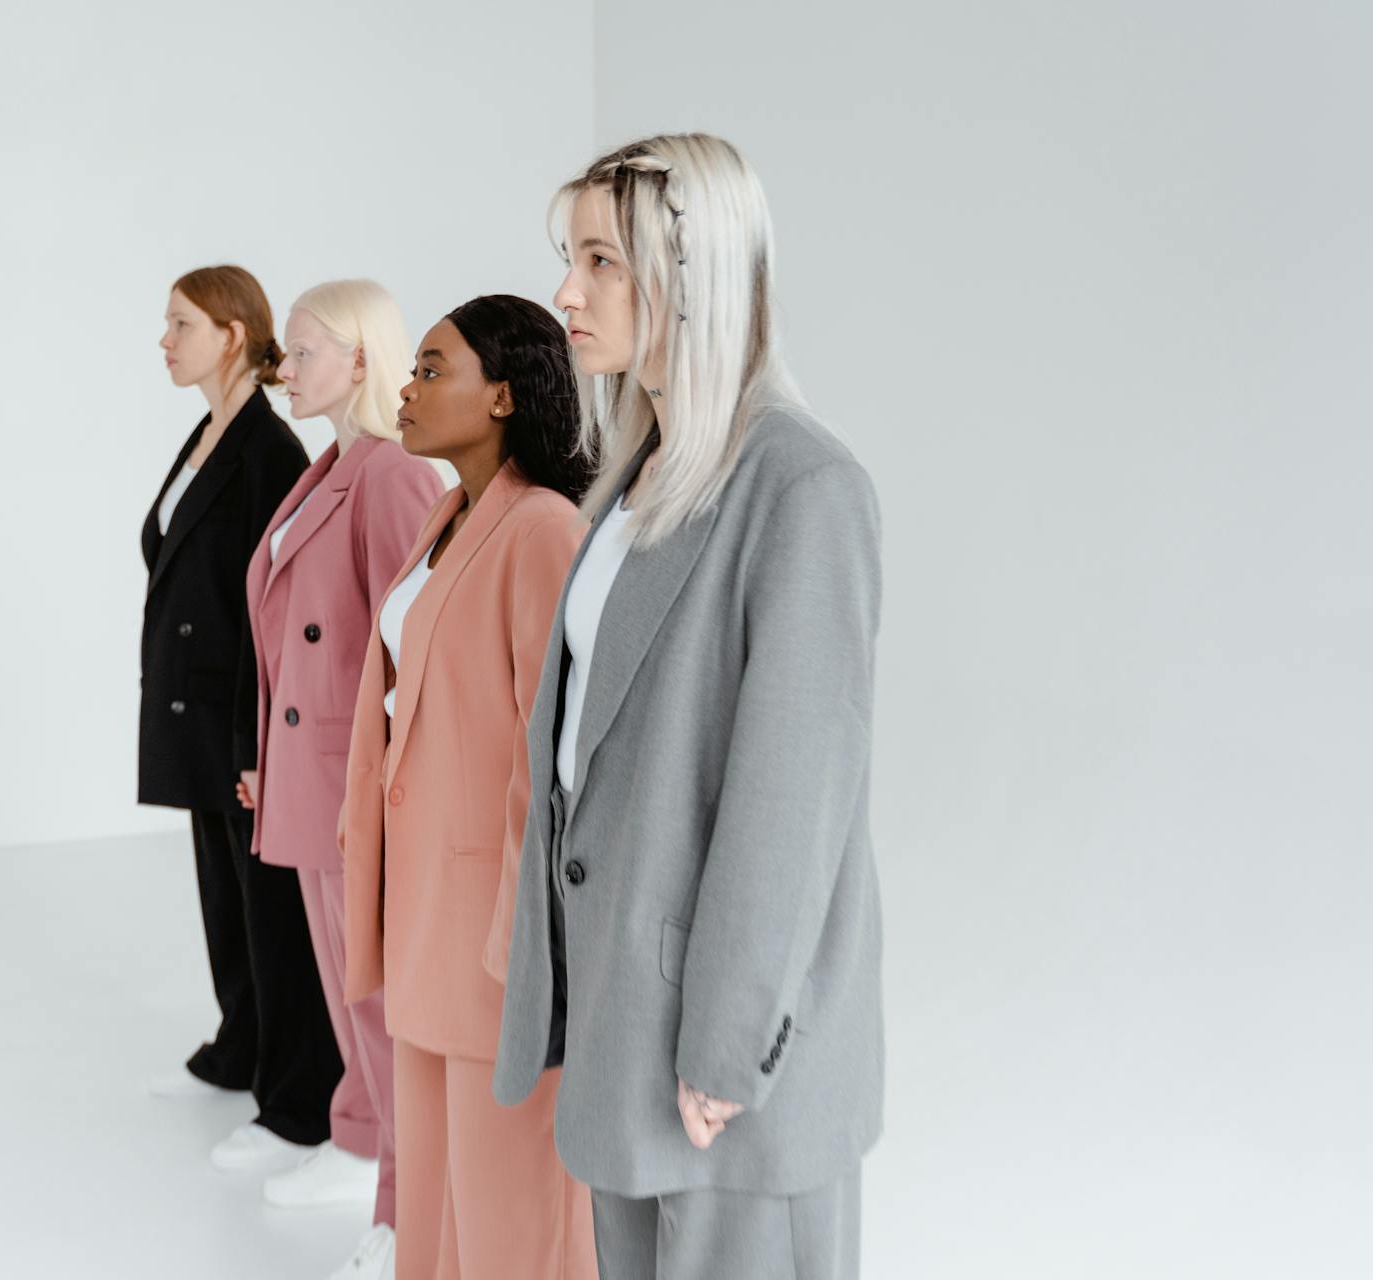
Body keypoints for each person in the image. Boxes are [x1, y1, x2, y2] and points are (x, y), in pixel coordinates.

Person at [493, 134, 885, 1280]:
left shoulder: (803, 488)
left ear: (693, 268)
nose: (568, 290)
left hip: (725, 1065)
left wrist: (725, 1043)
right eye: (571, 257)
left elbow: (792, 800)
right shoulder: (638, 473)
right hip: (628, 1023)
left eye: (601, 261)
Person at [341, 295, 599, 1280]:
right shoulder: (448, 515)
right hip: (424, 913)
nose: (405, 389)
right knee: (439, 1206)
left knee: (511, 1211)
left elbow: (560, 752)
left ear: (502, 393)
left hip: (496, 932)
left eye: (431, 369)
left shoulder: (542, 530)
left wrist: (521, 930)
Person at [242, 280, 444, 1277]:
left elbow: (414, 643)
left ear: (363, 359)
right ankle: (361, 1142)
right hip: (311, 770)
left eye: (307, 349)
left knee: (377, 992)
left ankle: (408, 1203)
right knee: (343, 984)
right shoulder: (332, 466)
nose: (287, 368)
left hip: (355, 779)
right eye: (285, 350)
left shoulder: (393, 474)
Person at [139, 264, 341, 1175]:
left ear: (230, 334)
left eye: (181, 323)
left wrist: (257, 733)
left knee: (271, 909)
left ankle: (298, 1098)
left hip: (240, 713)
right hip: (193, 702)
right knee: (223, 891)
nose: (164, 340)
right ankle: (239, 1046)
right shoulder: (206, 434)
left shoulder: (268, 451)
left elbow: (283, 608)